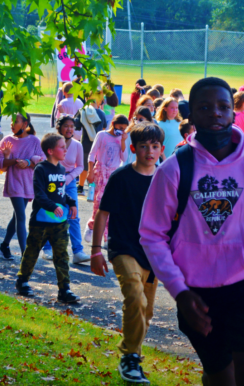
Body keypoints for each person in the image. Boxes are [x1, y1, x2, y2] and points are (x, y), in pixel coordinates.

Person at [140, 77, 244, 386]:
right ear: (191, 114)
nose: (216, 113)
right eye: (205, 107)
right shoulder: (175, 168)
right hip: (195, 293)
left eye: (223, 106)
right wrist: (179, 291)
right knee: (220, 373)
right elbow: (152, 235)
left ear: (234, 112)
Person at [91, 122, 164, 384]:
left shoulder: (165, 178)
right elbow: (103, 213)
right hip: (123, 247)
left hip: (153, 253)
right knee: (135, 297)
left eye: (154, 146)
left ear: (161, 149)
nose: (149, 151)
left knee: (146, 310)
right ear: (133, 149)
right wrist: (96, 251)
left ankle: (132, 356)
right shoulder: (121, 177)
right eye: (143, 146)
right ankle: (130, 358)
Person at [15, 132, 80, 304]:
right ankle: (22, 281)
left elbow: (60, 193)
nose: (65, 150)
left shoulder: (61, 169)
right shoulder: (41, 169)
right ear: (50, 151)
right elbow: (40, 194)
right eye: (62, 147)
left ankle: (64, 289)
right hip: (41, 222)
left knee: (62, 255)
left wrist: (71, 202)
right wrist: (53, 206)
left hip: (59, 222)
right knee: (32, 251)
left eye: (65, 147)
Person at [0, 113, 44, 259]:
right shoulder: (7, 140)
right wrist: (14, 160)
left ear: (25, 124)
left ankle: (4, 245)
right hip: (14, 183)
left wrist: (28, 162)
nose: (12, 124)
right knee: (21, 216)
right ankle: (25, 254)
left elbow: (43, 161)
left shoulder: (34, 140)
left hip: (28, 184)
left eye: (15, 121)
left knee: (17, 216)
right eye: (11, 121)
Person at [43, 115, 91, 264]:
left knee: (73, 215)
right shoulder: (51, 142)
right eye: (66, 126)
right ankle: (47, 248)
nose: (69, 129)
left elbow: (81, 167)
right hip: (52, 180)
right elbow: (44, 161)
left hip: (69, 183)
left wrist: (69, 178)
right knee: (52, 213)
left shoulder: (77, 145)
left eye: (72, 126)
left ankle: (78, 251)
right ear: (59, 127)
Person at [86, 114, 129, 241]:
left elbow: (124, 158)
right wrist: (90, 171)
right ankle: (92, 225)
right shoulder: (102, 135)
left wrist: (123, 141)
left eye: (124, 129)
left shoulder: (122, 138)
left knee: (110, 203)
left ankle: (106, 235)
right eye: (120, 127)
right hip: (100, 171)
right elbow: (92, 154)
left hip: (113, 174)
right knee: (98, 201)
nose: (121, 131)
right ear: (113, 124)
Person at [77, 92, 106, 194]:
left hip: (85, 142)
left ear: (86, 99)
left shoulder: (83, 111)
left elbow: (77, 125)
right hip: (98, 145)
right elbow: (104, 128)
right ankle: (92, 187)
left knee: (84, 166)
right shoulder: (102, 114)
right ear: (99, 100)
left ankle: (80, 186)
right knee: (95, 166)